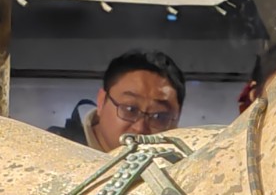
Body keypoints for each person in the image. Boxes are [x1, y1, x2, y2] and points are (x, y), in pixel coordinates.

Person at [50, 49, 185, 152]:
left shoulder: (181, 170)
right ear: (101, 101)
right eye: (130, 109)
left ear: (177, 121)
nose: (140, 128)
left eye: (159, 117)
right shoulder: (54, 152)